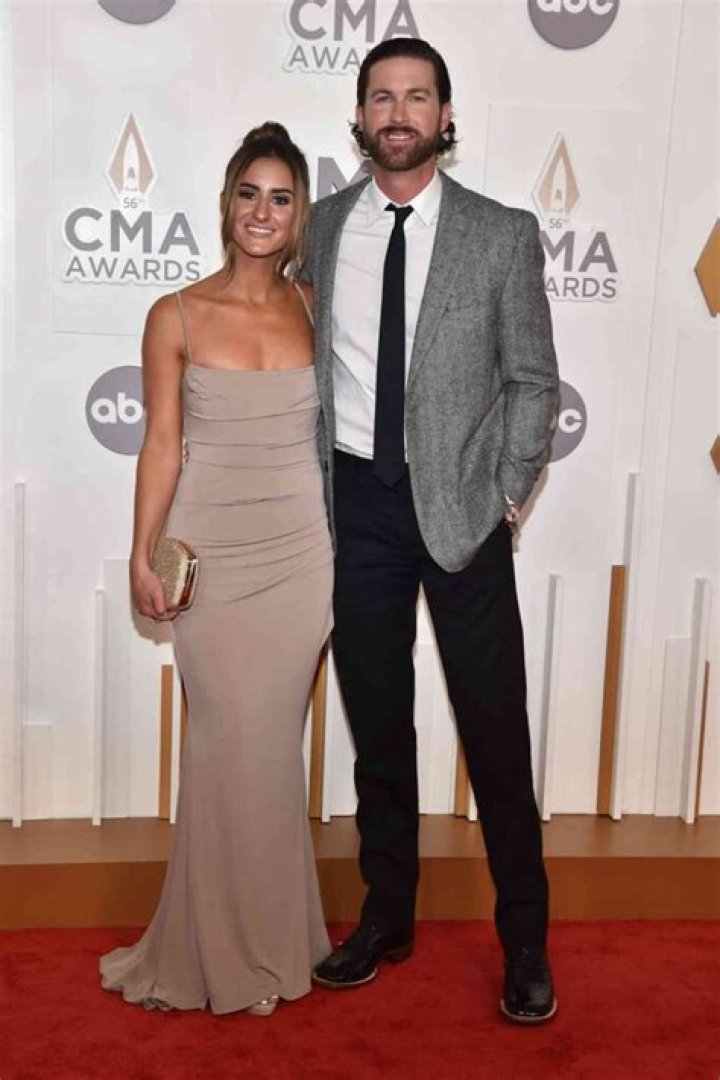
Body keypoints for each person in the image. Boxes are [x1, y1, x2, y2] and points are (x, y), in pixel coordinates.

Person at [304, 39, 560, 1023]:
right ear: (361, 116)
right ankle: (387, 917)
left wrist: (503, 496)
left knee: (495, 735)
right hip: (357, 506)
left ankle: (526, 942)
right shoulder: (324, 226)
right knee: (379, 727)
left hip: (462, 510)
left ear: (444, 114)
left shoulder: (501, 233)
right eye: (382, 97)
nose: (399, 113)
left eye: (417, 97)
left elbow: (532, 380)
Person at [100, 123, 332, 1016]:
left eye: (281, 197)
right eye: (249, 194)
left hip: (302, 554)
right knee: (225, 741)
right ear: (227, 202)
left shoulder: (314, 306)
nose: (262, 212)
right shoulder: (178, 314)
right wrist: (141, 551)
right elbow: (162, 443)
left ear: (299, 213)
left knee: (271, 750)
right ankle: (215, 950)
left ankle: (273, 943)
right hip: (214, 556)